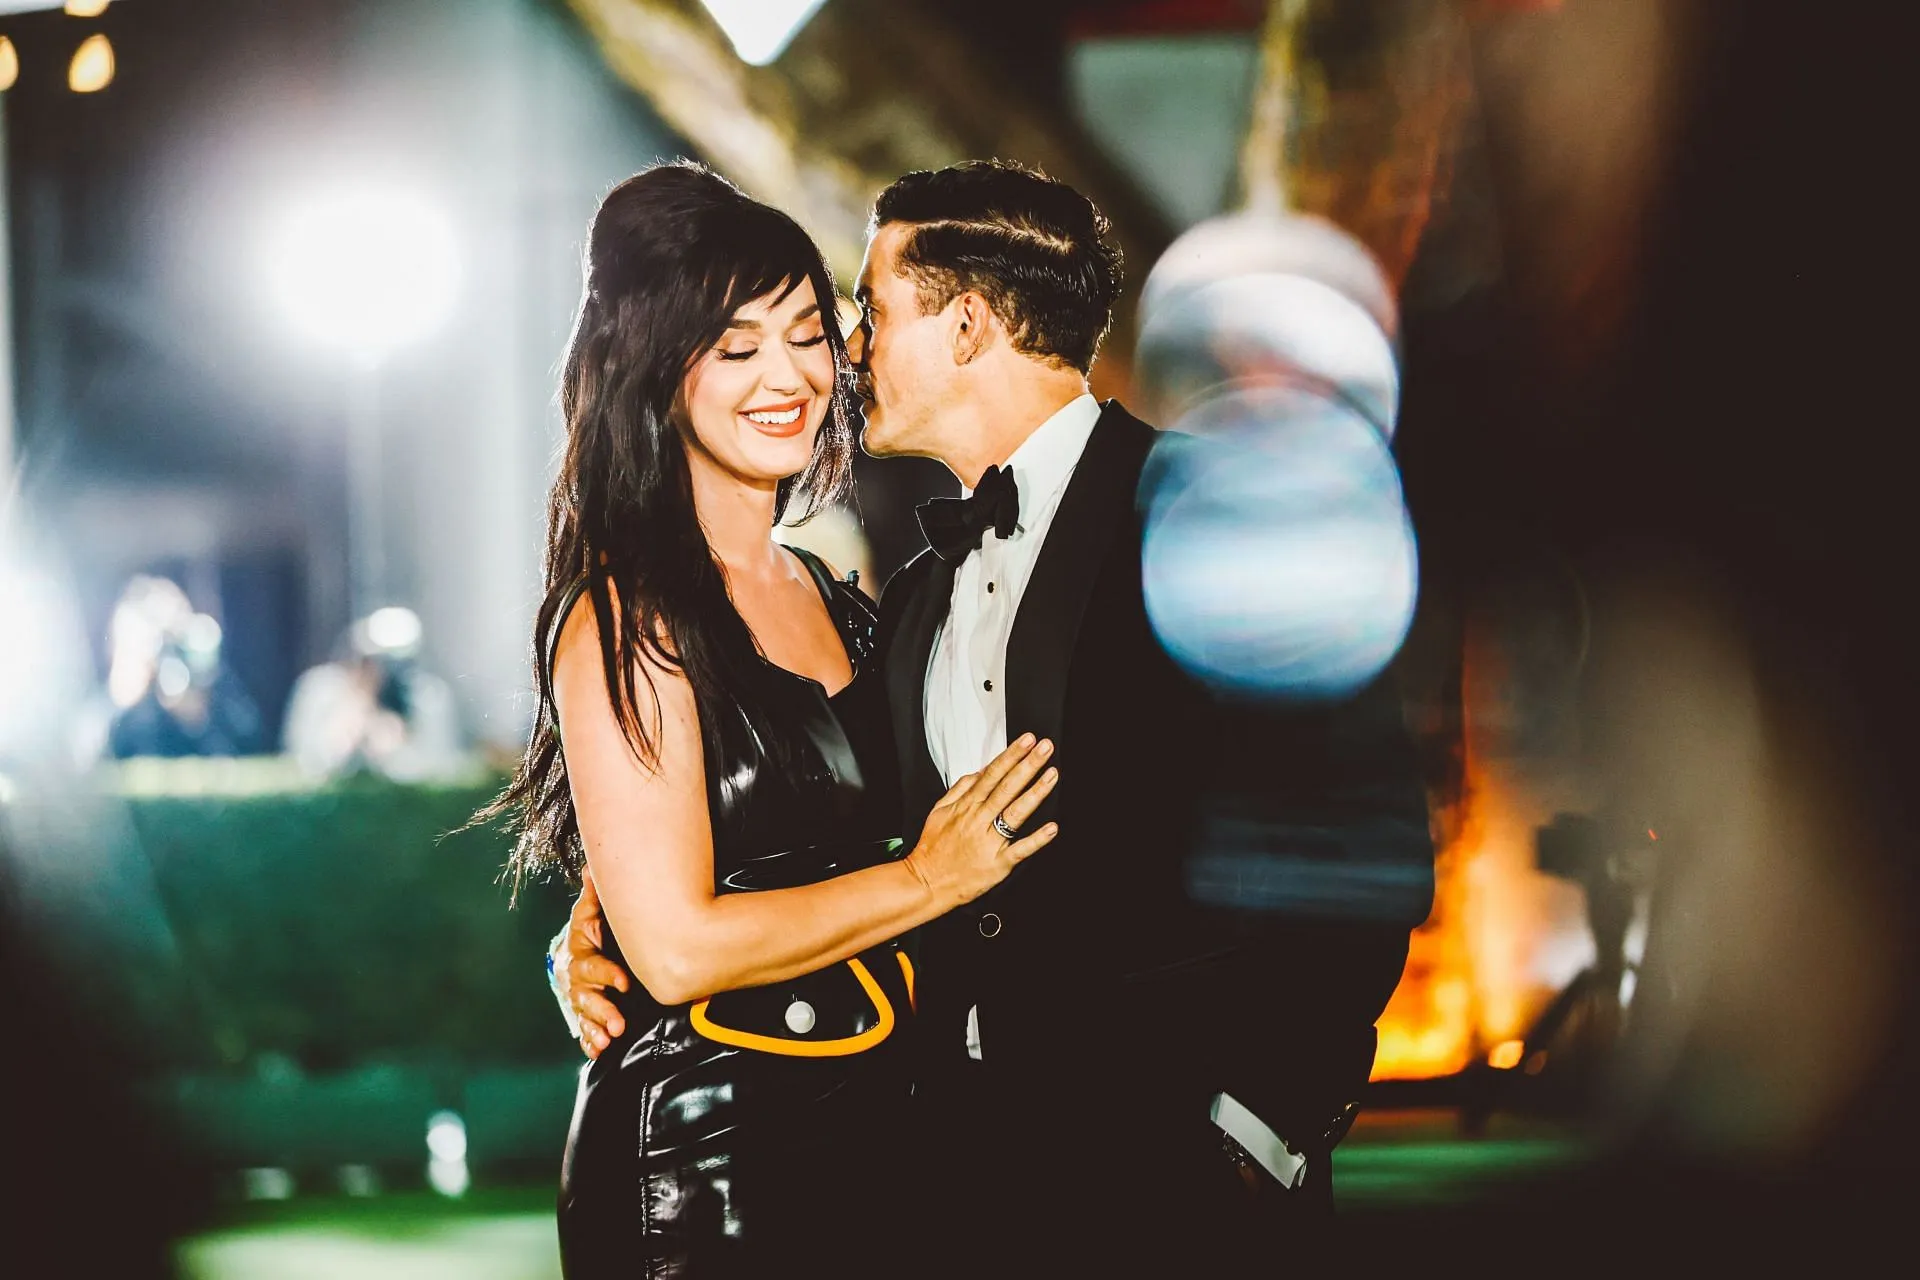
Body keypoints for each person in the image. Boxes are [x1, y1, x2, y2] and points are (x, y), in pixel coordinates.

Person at [554, 160, 1436, 1273]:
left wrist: (1260, 1129)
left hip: (1193, 1190)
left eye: (864, 313)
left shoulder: (1218, 514)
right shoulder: (910, 600)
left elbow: (1366, 845)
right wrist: (612, 913)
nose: (848, 349)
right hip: (944, 1184)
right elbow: (796, 816)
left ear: (967, 327)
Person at [480, 162, 1060, 1278]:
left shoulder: (842, 595)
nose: (788, 376)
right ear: (656, 377)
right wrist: (930, 879)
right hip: (706, 1163)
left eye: (806, 333)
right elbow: (681, 944)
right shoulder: (624, 615)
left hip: (887, 1132)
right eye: (737, 349)